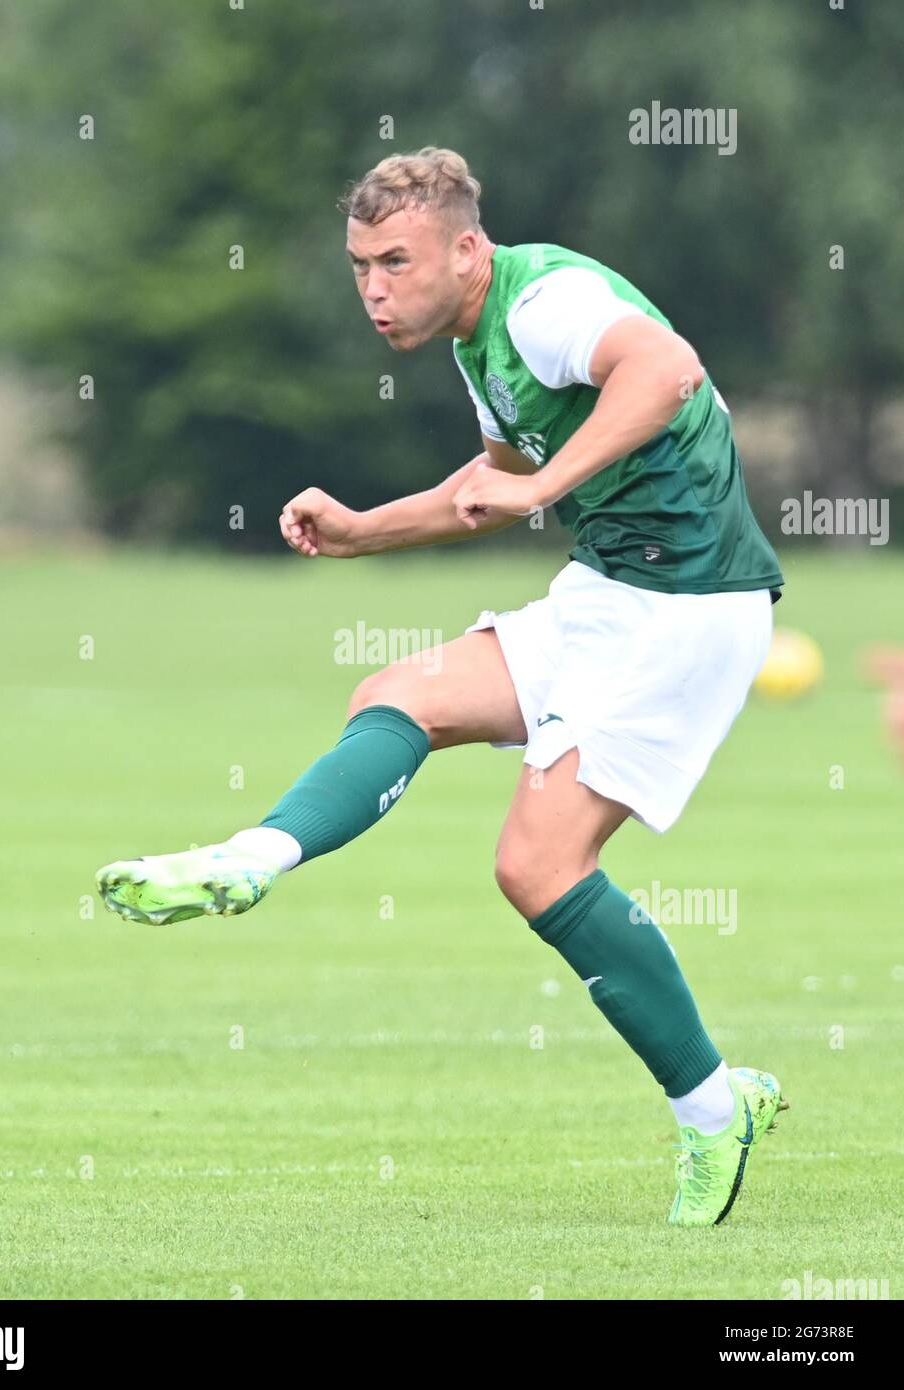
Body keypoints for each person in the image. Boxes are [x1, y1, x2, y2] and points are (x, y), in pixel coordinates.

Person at [97, 147, 789, 1226]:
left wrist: (551, 485)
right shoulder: (477, 342)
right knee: (396, 694)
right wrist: (362, 527)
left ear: (466, 250)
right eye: (359, 265)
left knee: (535, 865)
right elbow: (494, 486)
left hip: (690, 608)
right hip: (606, 591)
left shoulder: (545, 303)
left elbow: (666, 372)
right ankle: (252, 855)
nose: (374, 288)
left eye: (394, 261)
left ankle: (712, 1112)